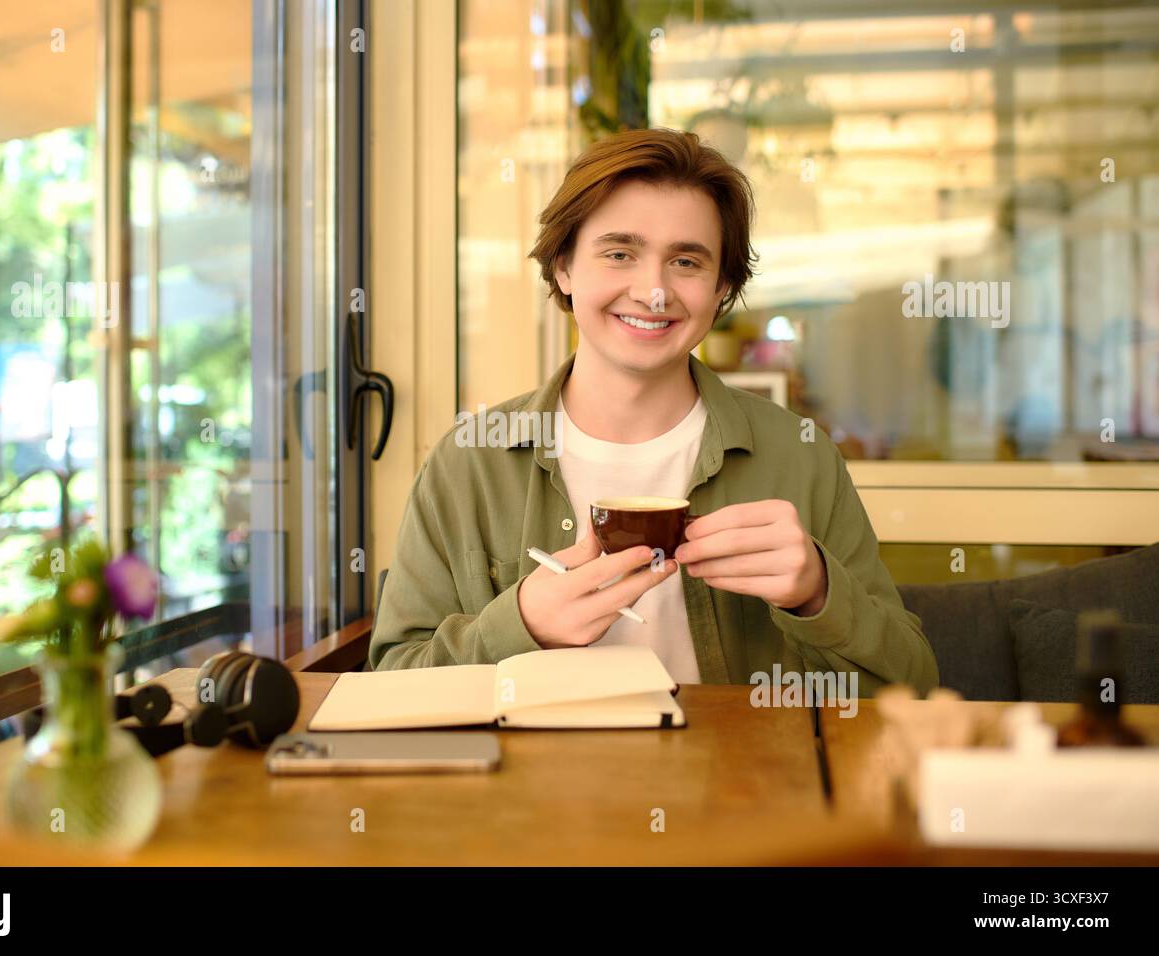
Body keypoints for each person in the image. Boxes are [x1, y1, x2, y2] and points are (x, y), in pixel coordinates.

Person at [369, 127, 938, 695]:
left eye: (686, 262)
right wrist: (521, 626)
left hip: (743, 781)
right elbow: (390, 685)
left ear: (721, 288)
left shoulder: (800, 456)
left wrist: (817, 592)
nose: (655, 291)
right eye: (620, 253)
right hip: (531, 784)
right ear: (564, 267)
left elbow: (910, 686)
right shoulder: (468, 461)